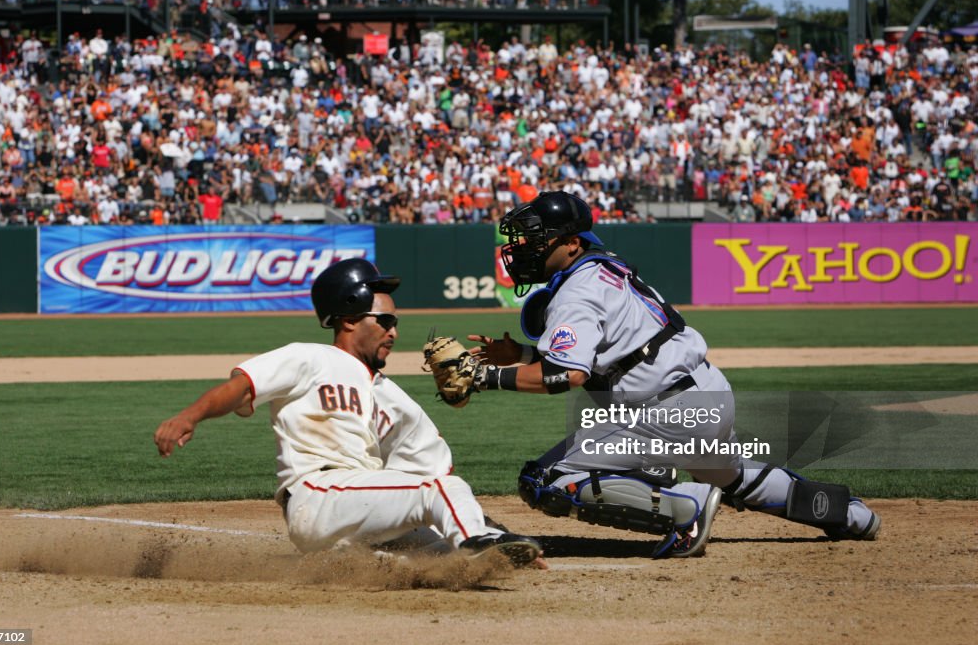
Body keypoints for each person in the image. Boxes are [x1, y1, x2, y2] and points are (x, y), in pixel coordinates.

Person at [466, 191, 881, 558]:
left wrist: (484, 377)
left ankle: (686, 505)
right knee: (733, 475)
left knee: (544, 479)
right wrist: (520, 354)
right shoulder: (602, 267)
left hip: (666, 411)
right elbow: (607, 353)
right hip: (704, 393)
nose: (523, 248)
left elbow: (568, 376)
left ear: (571, 243)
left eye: (536, 239)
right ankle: (849, 514)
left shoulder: (576, 290)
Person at [154, 258, 542, 567]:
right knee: (447, 495)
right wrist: (191, 416)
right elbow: (241, 385)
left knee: (447, 557)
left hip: (357, 508)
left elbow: (433, 477)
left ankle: (362, 564)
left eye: (396, 323)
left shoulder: (394, 398)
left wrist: (499, 536)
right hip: (316, 496)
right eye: (385, 321)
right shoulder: (309, 357)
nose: (394, 332)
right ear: (349, 317)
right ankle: (472, 542)